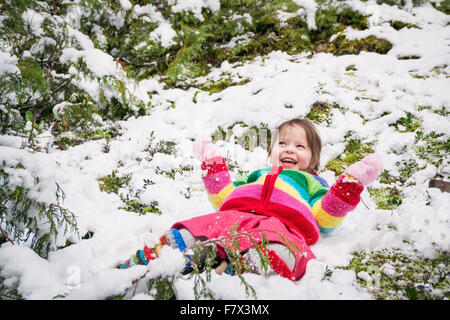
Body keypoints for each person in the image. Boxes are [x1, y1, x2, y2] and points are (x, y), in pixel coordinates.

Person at [117, 118, 382, 281]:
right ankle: (155, 258)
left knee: (281, 252)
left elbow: (325, 217)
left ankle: (234, 269)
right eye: (283, 144)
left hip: (280, 227)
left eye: (300, 147)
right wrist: (213, 164)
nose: (290, 149)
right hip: (234, 217)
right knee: (191, 230)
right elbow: (225, 197)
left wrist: (350, 184)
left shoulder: (312, 183)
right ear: (271, 153)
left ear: (313, 160)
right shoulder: (256, 175)